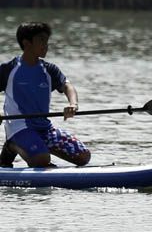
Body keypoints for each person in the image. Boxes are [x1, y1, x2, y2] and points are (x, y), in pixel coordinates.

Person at [0, 23, 90, 168]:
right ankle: (11, 145)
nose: (46, 45)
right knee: (41, 160)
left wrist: (73, 104)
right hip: (18, 127)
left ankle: (38, 151)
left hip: (44, 128)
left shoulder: (49, 70)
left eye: (47, 40)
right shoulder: (9, 69)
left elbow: (68, 86)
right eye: (41, 40)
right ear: (26, 43)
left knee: (83, 156)